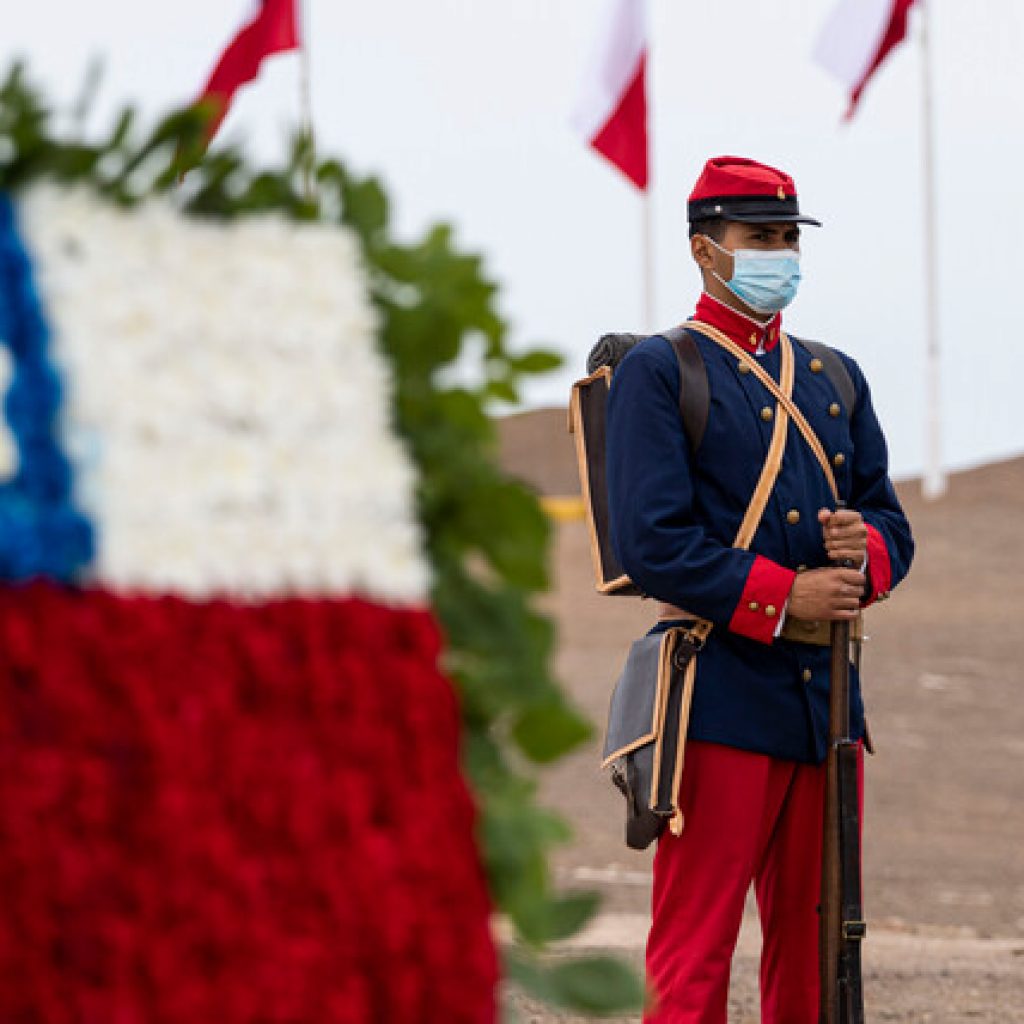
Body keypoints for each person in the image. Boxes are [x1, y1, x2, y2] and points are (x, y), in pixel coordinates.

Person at [605, 155, 914, 1023]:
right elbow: (653, 543)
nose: (780, 254)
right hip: (720, 697)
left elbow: (890, 520)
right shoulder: (663, 372)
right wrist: (788, 596)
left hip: (827, 704)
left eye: (788, 237)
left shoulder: (835, 377)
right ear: (708, 251)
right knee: (695, 950)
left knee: (818, 950)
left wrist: (865, 556)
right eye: (760, 238)